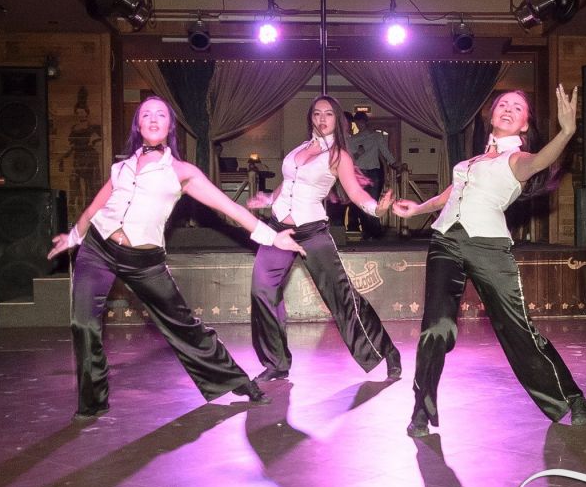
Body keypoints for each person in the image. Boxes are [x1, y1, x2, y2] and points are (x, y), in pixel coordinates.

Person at [48, 96, 304, 421]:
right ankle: (92, 403)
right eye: (146, 114)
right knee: (83, 323)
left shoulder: (182, 172)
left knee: (183, 325)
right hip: (98, 249)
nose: (153, 119)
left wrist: (272, 236)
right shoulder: (121, 168)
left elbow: (229, 207)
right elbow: (95, 208)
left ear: (169, 126)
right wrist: (73, 236)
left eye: (161, 114)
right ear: (138, 125)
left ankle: (237, 381)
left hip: (143, 260)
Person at [392, 86, 586, 438]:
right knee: (435, 328)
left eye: (518, 107)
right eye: (503, 104)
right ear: (492, 114)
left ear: (525, 124)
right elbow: (450, 194)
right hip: (445, 241)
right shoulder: (470, 163)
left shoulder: (517, 159)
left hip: (489, 247)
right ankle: (421, 410)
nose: (509, 109)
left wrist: (566, 133)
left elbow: (540, 162)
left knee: (518, 330)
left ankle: (571, 398)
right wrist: (417, 209)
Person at [245, 95, 401, 382]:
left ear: (337, 119)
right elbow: (287, 183)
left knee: (342, 297)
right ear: (311, 118)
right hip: (278, 229)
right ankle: (276, 363)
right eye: (317, 113)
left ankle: (386, 350)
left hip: (312, 232)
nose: (321, 119)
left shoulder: (339, 156)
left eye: (328, 114)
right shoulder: (299, 150)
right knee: (262, 290)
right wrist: (268, 199)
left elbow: (355, 192)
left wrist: (376, 209)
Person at [349, 111, 395, 239]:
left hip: (373, 171)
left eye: (361, 122)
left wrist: (394, 163)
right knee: (362, 202)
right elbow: (350, 158)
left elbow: (385, 151)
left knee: (372, 202)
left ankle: (374, 232)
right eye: (357, 122)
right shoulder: (352, 139)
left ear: (365, 122)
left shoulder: (376, 136)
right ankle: (368, 231)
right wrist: (358, 153)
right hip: (359, 173)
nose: (359, 125)